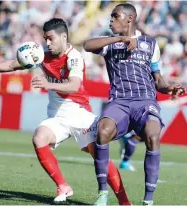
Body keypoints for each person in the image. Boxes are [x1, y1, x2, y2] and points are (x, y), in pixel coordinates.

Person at [0, 18, 131, 205]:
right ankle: (63, 186)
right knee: (39, 137)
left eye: (51, 39)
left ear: (63, 36)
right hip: (57, 116)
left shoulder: (74, 57)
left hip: (79, 114)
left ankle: (124, 202)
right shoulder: (42, 57)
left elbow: (74, 85)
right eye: (45, 39)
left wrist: (47, 84)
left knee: (99, 157)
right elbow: (11, 65)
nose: (47, 43)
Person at [83, 3, 186, 206]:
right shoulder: (109, 43)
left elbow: (158, 80)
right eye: (111, 17)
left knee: (153, 135)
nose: (111, 20)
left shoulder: (150, 43)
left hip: (145, 101)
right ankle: (102, 193)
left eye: (115, 16)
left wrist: (170, 87)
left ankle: (148, 200)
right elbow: (87, 45)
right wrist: (119, 39)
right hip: (119, 101)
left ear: (129, 18)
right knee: (102, 132)